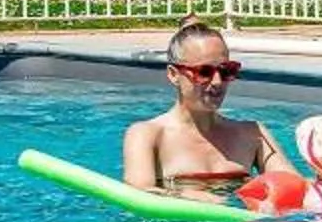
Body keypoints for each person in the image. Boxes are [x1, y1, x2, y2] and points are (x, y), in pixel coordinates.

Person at [123, 21, 296, 201]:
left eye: (226, 71)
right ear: (174, 74)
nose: (217, 82)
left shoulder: (253, 134)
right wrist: (182, 196)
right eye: (204, 72)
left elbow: (295, 186)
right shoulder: (148, 135)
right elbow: (138, 194)